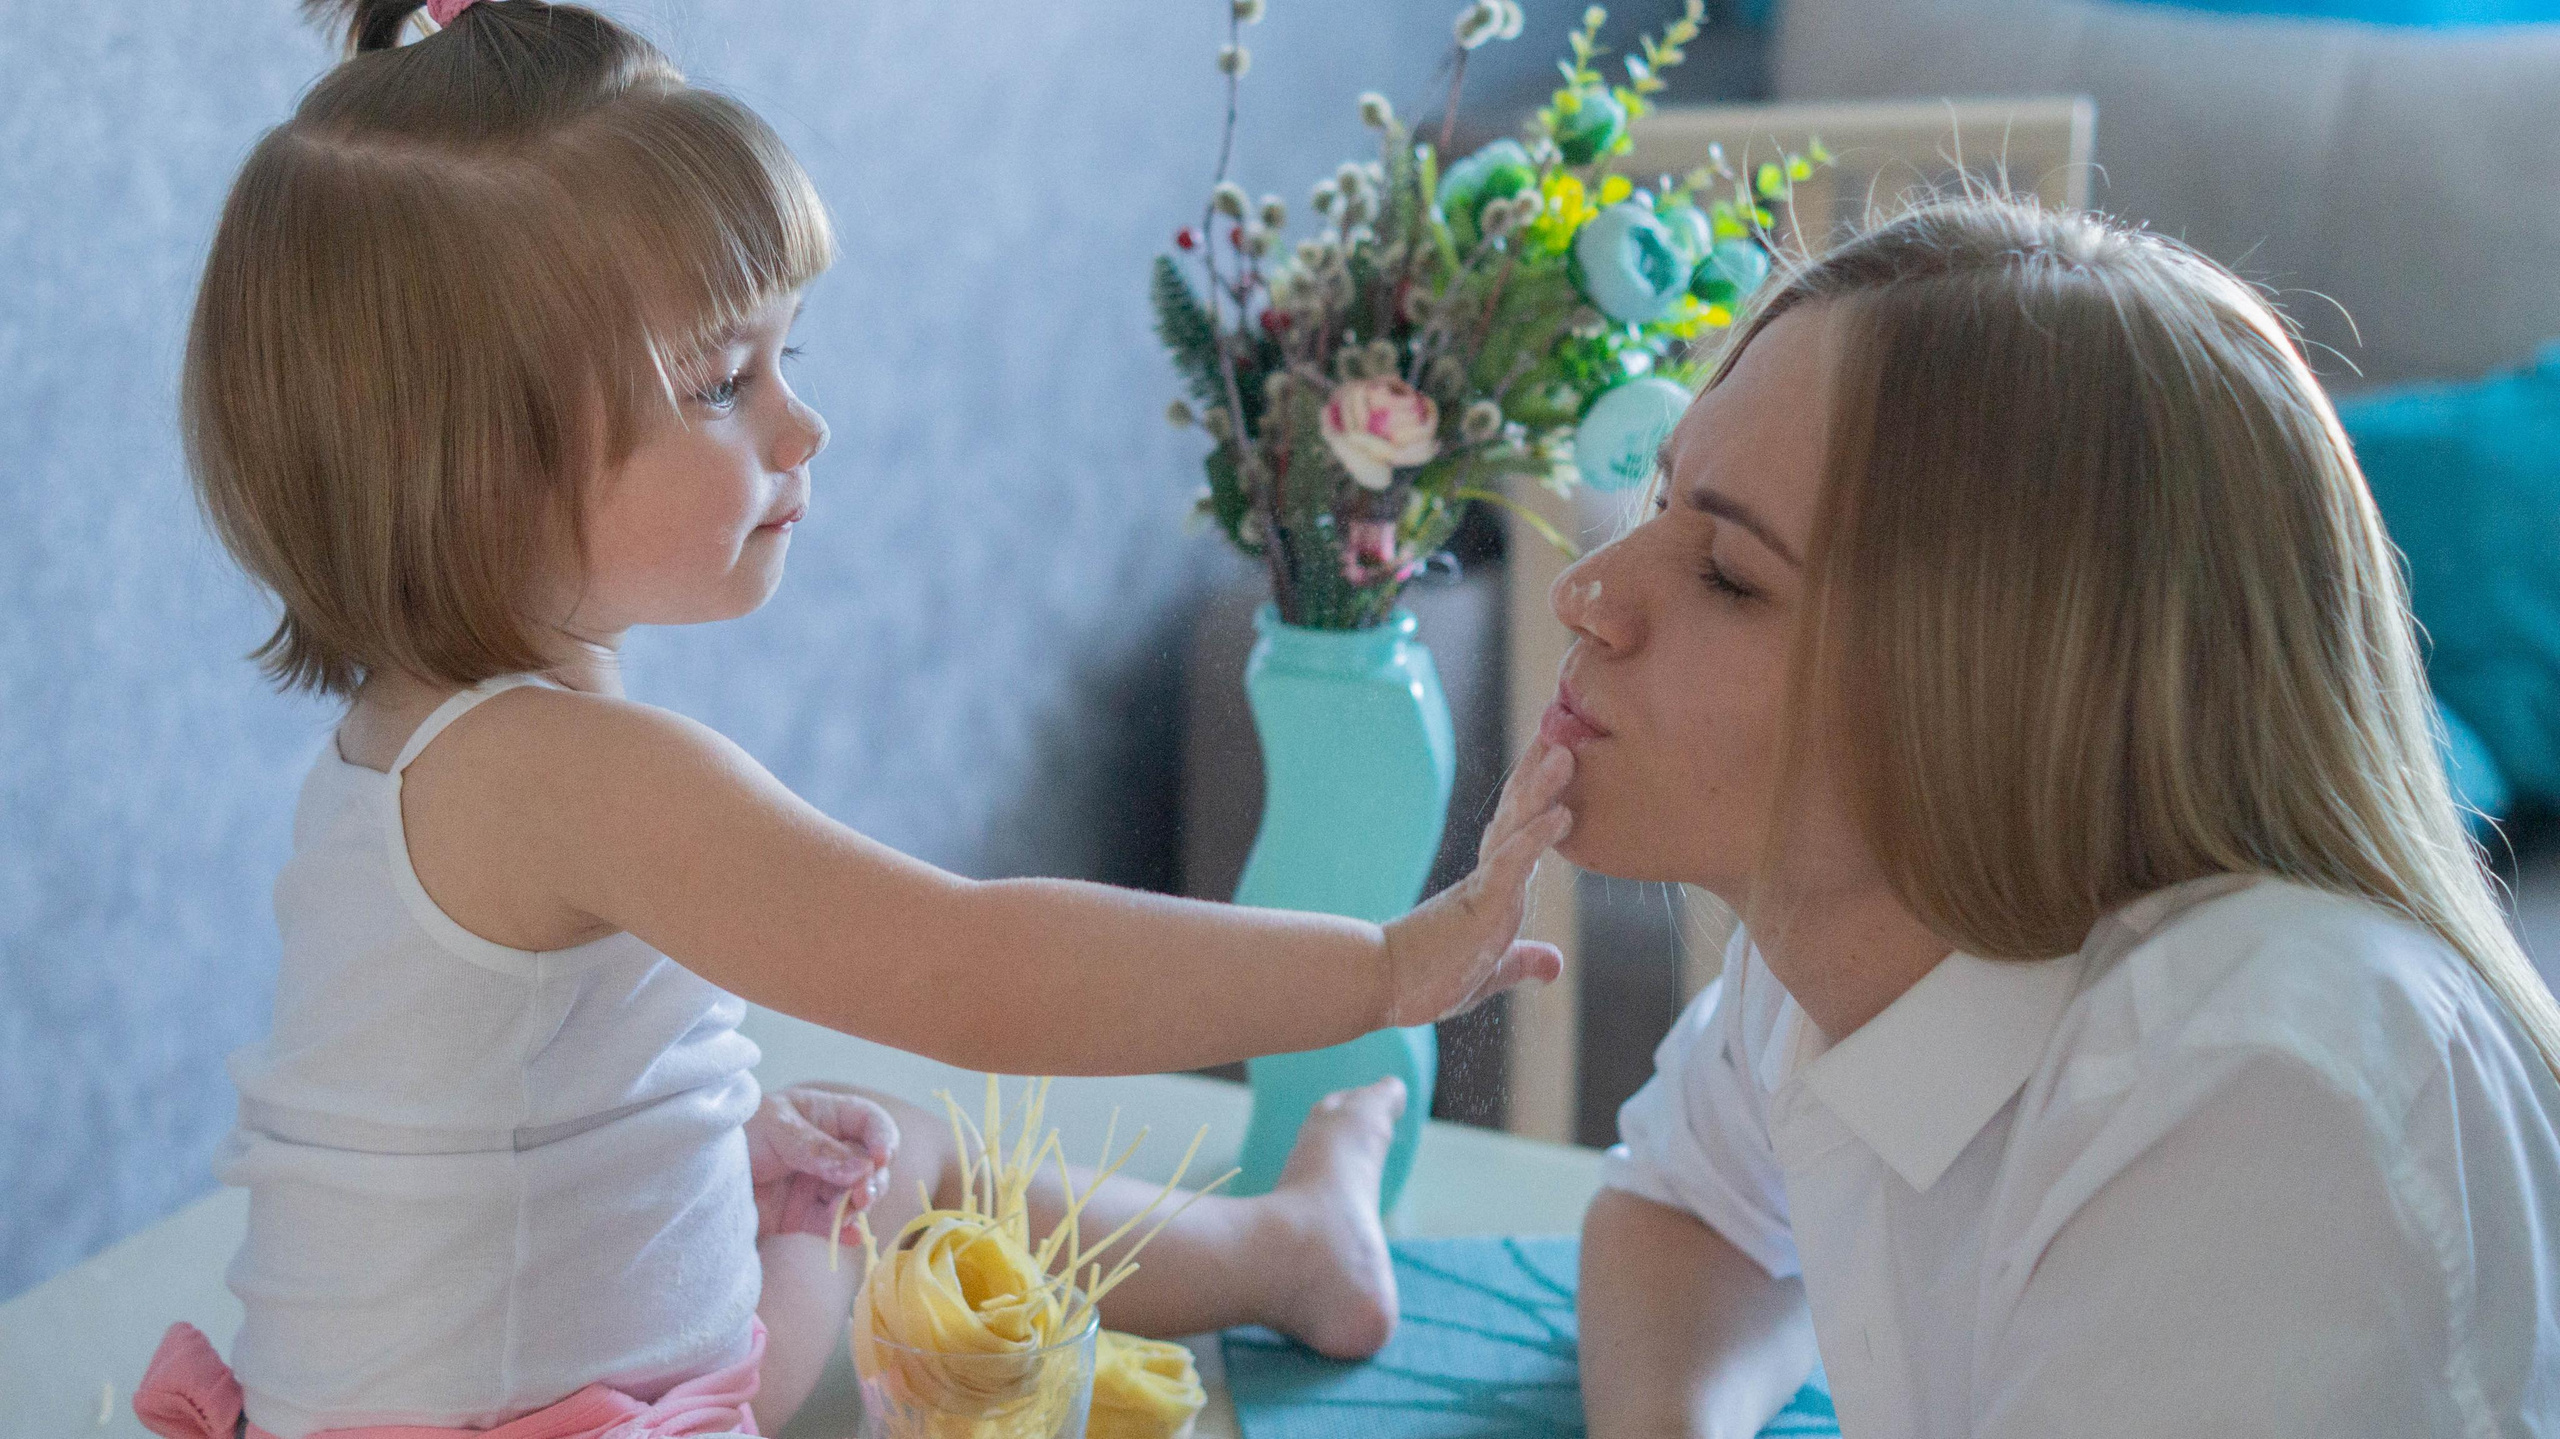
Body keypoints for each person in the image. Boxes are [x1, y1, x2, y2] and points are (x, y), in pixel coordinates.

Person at [141, 2, 1578, 1435]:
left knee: (849, 1140)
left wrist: (694, 1147)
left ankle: (1292, 1247)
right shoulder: (574, 774)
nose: (798, 427)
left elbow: (474, 1135)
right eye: (721, 382)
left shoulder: (396, 752)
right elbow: (977, 967)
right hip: (613, 1413)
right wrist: (1381, 969)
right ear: (468, 468)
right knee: (915, 1145)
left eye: (788, 359)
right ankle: (1290, 1248)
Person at [1559, 196, 2560, 1437]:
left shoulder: (2266, 1098)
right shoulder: (1850, 911)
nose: (1585, 594)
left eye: (1727, 573)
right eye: (1665, 503)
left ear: (2005, 677)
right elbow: (1688, 1213)